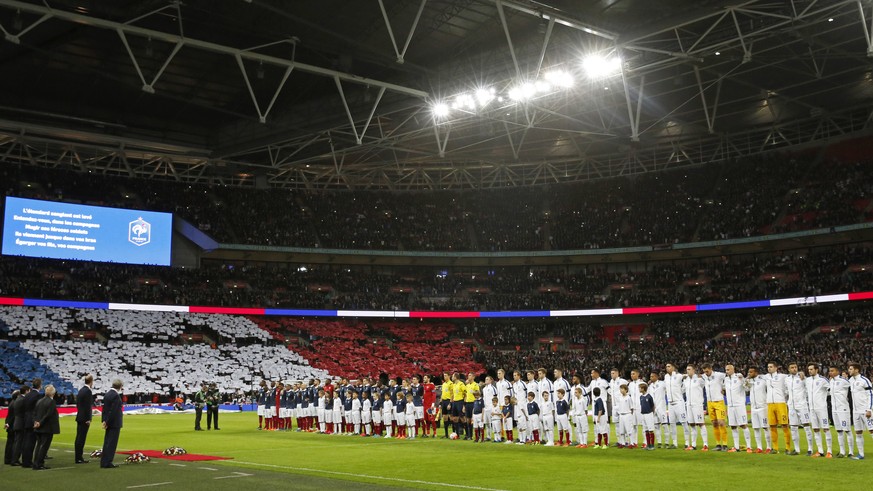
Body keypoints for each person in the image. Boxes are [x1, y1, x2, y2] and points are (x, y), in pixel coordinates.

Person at [764, 361, 791, 454]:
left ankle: (788, 448)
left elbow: (793, 376)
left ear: (776, 368)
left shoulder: (782, 376)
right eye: (768, 367)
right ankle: (775, 448)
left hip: (780, 403)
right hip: (770, 404)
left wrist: (801, 374)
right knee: (772, 426)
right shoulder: (765, 377)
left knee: (784, 425)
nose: (769, 368)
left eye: (771, 367)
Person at [724, 364, 752, 453]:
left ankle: (749, 447)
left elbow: (747, 388)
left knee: (743, 425)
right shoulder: (726, 379)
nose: (727, 371)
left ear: (733, 370)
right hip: (730, 406)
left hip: (739, 405)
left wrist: (743, 380)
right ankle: (736, 447)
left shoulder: (739, 377)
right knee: (733, 426)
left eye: (728, 370)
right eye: (726, 370)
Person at [786, 362, 812, 456]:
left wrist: (804, 377)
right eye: (792, 367)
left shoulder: (802, 378)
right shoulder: (787, 379)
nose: (794, 369)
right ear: (789, 369)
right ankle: (796, 449)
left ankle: (810, 449)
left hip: (802, 405)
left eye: (795, 367)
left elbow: (808, 387)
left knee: (806, 426)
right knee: (793, 427)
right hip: (792, 406)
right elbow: (786, 391)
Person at [806, 363, 832, 457]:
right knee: (816, 429)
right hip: (812, 409)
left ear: (817, 370)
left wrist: (823, 398)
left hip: (821, 408)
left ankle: (829, 451)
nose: (810, 371)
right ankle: (820, 451)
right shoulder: (807, 380)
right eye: (809, 369)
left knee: (825, 428)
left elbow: (831, 390)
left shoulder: (823, 379)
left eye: (811, 369)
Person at [847, 362, 872, 460]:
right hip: (855, 411)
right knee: (858, 432)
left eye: (851, 369)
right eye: (849, 369)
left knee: (871, 431)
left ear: (857, 370)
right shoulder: (850, 380)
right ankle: (861, 454)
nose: (849, 370)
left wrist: (869, 409)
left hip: (865, 410)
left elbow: (870, 394)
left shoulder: (864, 380)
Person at [32, 384, 59, 470]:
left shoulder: (39, 401)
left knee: (39, 445)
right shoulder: (51, 402)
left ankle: (36, 463)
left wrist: (36, 422)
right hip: (46, 427)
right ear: (53, 393)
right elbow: (48, 415)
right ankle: (39, 463)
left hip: (38, 427)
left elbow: (34, 413)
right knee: (44, 446)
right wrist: (40, 422)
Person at [828, 365, 854, 458]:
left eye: (832, 370)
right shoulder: (831, 381)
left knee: (847, 430)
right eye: (830, 371)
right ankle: (842, 452)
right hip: (834, 409)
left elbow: (853, 384)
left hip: (843, 409)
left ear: (837, 372)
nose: (830, 372)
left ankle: (851, 452)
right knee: (839, 431)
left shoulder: (844, 381)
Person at [701, 363, 728, 451]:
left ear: (710, 369)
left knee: (721, 422)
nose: (706, 373)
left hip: (719, 401)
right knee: (714, 423)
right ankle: (718, 444)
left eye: (707, 371)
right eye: (704, 372)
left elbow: (728, 376)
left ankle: (725, 444)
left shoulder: (719, 375)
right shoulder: (704, 376)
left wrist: (724, 388)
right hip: (709, 402)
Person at [746, 366, 772, 453]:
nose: (749, 373)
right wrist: (746, 381)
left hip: (763, 407)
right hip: (753, 408)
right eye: (749, 372)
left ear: (756, 372)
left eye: (751, 372)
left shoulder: (763, 380)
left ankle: (769, 447)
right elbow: (745, 389)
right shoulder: (749, 381)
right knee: (756, 428)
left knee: (765, 427)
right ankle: (759, 447)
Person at [664, 363, 688, 449]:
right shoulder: (666, 377)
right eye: (666, 367)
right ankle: (674, 443)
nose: (667, 368)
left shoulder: (678, 376)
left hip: (679, 402)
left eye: (669, 366)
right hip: (670, 403)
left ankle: (687, 442)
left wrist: (682, 391)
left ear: (673, 368)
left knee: (684, 422)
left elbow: (687, 376)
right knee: (672, 423)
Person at [101, 379, 124, 469]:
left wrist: (104, 421)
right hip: (114, 423)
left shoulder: (107, 394)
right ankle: (108, 462)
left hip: (108, 422)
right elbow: (113, 411)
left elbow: (105, 410)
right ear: (120, 386)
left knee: (107, 442)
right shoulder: (116, 396)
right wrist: (108, 421)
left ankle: (104, 461)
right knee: (111, 443)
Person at [684, 364, 707, 451]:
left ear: (694, 370)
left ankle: (705, 444)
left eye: (689, 369)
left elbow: (707, 384)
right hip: (689, 405)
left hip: (697, 404)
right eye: (687, 369)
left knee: (701, 423)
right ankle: (693, 445)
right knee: (692, 425)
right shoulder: (686, 381)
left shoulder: (699, 380)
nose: (687, 371)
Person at [19, 378, 42, 469]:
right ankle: (28, 462)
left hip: (26, 419)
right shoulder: (37, 395)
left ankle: (25, 460)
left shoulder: (27, 395)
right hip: (32, 420)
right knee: (31, 442)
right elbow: (37, 409)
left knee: (26, 441)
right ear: (40, 385)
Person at [75, 374, 94, 464]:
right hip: (84, 418)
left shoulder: (81, 390)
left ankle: (78, 456)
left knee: (78, 437)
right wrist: (88, 418)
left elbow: (79, 404)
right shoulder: (88, 391)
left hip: (80, 416)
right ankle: (79, 457)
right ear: (91, 381)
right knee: (81, 438)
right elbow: (88, 406)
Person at [9, 386, 29, 466]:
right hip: (21, 423)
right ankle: (15, 460)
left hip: (17, 422)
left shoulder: (17, 399)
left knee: (17, 442)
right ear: (26, 391)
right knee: (19, 443)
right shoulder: (23, 400)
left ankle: (14, 459)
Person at [608, 368, 628, 447]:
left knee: (624, 424)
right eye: (611, 373)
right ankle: (619, 441)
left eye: (613, 373)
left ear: (617, 373)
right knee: (617, 424)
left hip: (621, 406)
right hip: (614, 406)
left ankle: (626, 441)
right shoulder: (611, 382)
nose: (612, 375)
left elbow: (628, 390)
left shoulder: (623, 381)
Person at [648, 372, 667, 448]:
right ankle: (659, 442)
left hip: (661, 408)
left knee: (664, 425)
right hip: (653, 408)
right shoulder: (650, 386)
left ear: (656, 377)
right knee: (656, 426)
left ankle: (666, 442)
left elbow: (669, 389)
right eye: (650, 376)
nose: (651, 378)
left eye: (652, 376)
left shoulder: (662, 384)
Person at [4, 389, 20, 465]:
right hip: (12, 426)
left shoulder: (12, 403)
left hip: (10, 425)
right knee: (12, 443)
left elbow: (9, 416)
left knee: (10, 443)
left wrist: (7, 423)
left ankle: (8, 459)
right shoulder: (15, 404)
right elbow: (13, 416)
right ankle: (10, 459)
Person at [639, 383, 656, 450]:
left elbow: (653, 406)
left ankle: (652, 445)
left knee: (650, 430)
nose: (639, 389)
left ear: (643, 388)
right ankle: (648, 445)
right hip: (643, 414)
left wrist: (652, 413)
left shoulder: (649, 397)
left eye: (640, 388)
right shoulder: (641, 397)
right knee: (646, 430)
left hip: (649, 414)